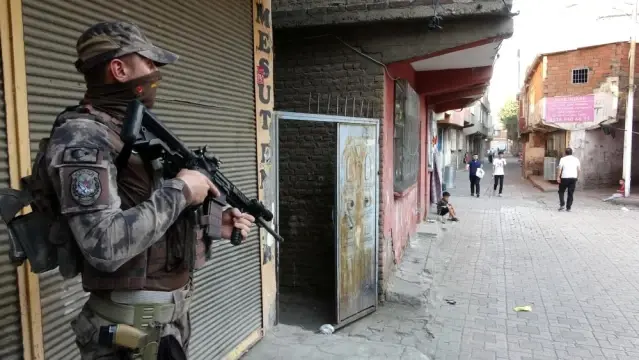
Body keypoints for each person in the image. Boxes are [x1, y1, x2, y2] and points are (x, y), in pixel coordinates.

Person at [39, 21, 256, 359]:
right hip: (129, 331)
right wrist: (182, 190)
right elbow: (104, 244)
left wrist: (214, 225)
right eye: (151, 64)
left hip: (167, 323)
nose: (157, 74)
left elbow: (147, 216)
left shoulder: (132, 134)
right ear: (119, 69)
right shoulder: (82, 137)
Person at [557, 147, 581, 212]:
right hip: (573, 178)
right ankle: (568, 208)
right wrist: (577, 177)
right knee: (570, 193)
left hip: (564, 178)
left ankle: (562, 205)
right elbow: (579, 170)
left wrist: (558, 177)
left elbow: (560, 169)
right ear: (571, 153)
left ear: (565, 153)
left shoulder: (562, 159)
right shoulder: (576, 159)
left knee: (561, 191)